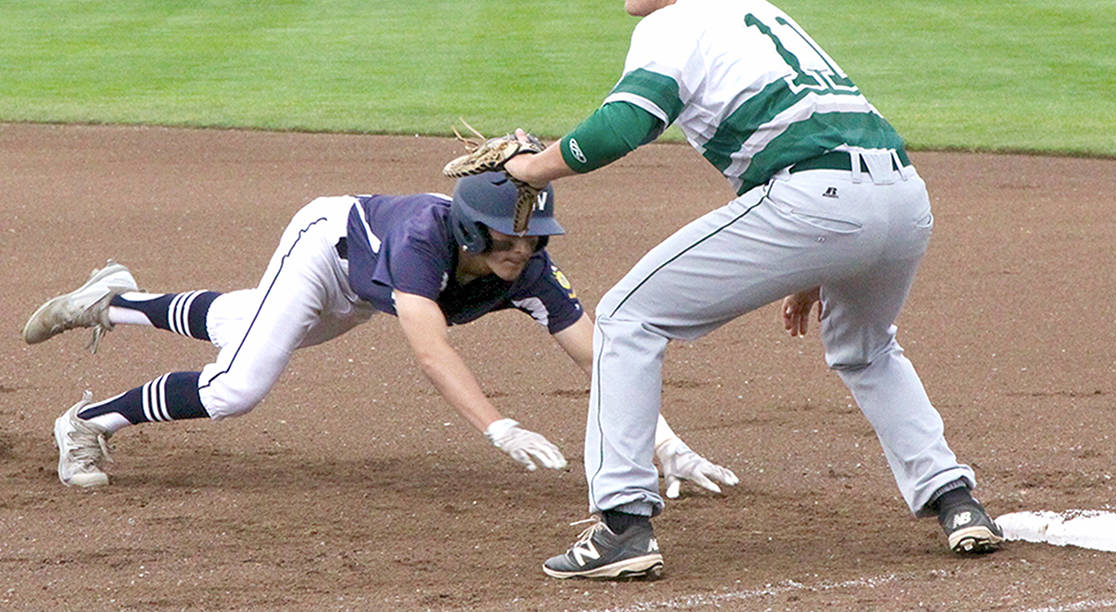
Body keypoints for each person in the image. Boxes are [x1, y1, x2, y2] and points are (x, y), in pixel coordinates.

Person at [498, 0, 1002, 581]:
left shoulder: (677, 21)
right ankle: (957, 501)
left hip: (818, 199)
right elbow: (819, 128)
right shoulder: (760, 11)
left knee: (625, 316)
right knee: (866, 349)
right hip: (903, 197)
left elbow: (618, 131)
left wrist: (529, 167)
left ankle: (621, 524)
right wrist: (810, 269)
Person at [22, 173, 737, 499]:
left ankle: (111, 303)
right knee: (237, 384)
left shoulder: (529, 271)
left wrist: (660, 440)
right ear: (466, 231)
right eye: (509, 239)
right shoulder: (424, 244)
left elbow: (601, 356)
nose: (525, 250)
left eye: (534, 237)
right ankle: (85, 421)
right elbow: (431, 350)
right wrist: (499, 428)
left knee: (245, 325)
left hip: (364, 286)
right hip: (324, 248)